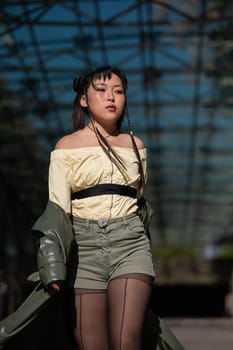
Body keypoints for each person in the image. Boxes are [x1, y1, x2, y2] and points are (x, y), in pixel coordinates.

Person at [48, 65, 156, 350]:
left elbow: (137, 197)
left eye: (118, 91)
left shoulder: (136, 146)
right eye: (102, 90)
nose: (111, 97)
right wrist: (53, 263)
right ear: (83, 99)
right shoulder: (65, 147)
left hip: (130, 243)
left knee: (126, 340)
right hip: (84, 251)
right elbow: (58, 210)